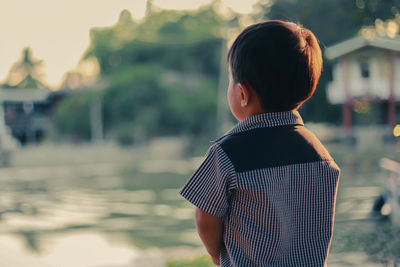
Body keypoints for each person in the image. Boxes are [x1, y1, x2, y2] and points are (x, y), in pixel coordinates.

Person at [180, 20, 340, 267]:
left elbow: (205, 217)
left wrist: (215, 253)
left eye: (232, 80)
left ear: (243, 94)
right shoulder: (320, 154)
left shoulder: (227, 153)